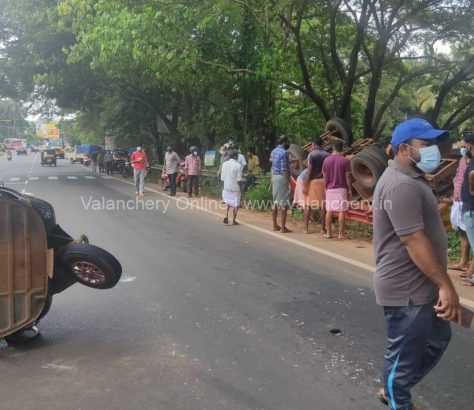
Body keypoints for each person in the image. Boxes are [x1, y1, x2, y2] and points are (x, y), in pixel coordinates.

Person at [373, 118, 461, 410]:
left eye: (434, 143)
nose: (434, 149)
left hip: (421, 285)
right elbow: (413, 240)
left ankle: (395, 389)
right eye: (426, 144)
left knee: (437, 338)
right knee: (403, 355)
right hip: (407, 289)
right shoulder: (399, 184)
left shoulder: (412, 177)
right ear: (403, 149)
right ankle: (398, 396)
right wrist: (445, 286)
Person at [449, 140, 473, 274]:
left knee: (472, 235)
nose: (463, 148)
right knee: (463, 232)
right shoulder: (463, 160)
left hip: (468, 201)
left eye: (465, 146)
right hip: (458, 200)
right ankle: (463, 262)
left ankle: (471, 270)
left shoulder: (472, 161)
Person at [322, 139, 352, 239]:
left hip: (330, 188)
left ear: (333, 148)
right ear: (342, 148)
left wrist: (325, 188)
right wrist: (350, 189)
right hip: (342, 189)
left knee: (329, 210)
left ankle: (329, 233)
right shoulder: (345, 160)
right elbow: (348, 177)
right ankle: (340, 234)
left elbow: (325, 177)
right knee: (341, 211)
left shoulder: (326, 160)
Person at [303, 137, 330, 234]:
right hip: (323, 181)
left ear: (314, 145)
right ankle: (323, 228)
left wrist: (305, 186)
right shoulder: (327, 155)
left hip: (313, 182)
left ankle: (306, 229)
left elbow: (309, 172)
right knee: (322, 206)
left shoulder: (312, 155)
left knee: (307, 205)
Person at [460, 132, 474, 286]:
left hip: (471, 208)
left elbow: (472, 173)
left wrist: (471, 189)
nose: (463, 147)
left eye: (464, 145)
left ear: (470, 145)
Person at [270, 136, 292, 233]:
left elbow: (272, 166)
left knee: (275, 201)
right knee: (284, 203)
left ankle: (275, 225)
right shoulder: (284, 153)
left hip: (274, 177)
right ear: (284, 142)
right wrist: (289, 182)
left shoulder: (273, 151)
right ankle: (283, 227)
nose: (289, 143)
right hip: (282, 178)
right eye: (288, 141)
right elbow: (284, 170)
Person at [221, 149, 243, 225]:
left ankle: (226, 215)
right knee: (235, 204)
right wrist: (241, 189)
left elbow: (222, 178)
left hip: (226, 187)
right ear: (236, 156)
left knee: (227, 203)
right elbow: (239, 179)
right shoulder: (238, 165)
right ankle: (234, 220)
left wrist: (223, 187)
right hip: (235, 188)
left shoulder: (224, 164)